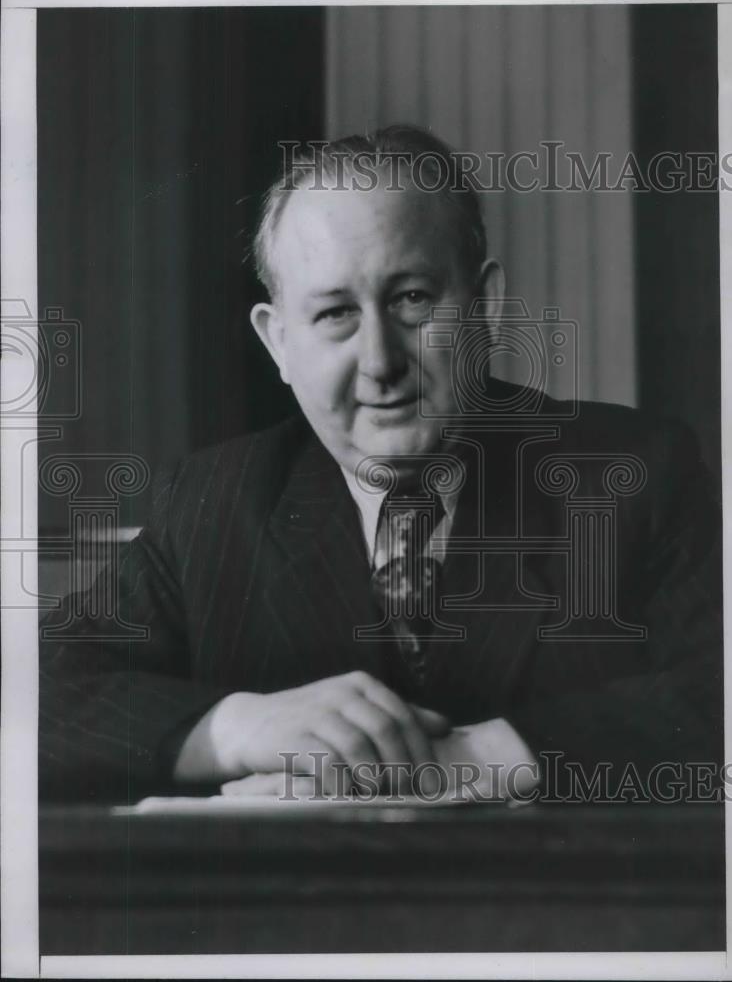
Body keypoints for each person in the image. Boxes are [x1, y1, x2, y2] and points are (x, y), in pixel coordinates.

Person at [39, 125, 723, 804]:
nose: (379, 362)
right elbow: (36, 695)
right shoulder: (211, 503)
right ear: (278, 342)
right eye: (336, 313)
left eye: (412, 300)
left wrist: (488, 756)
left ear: (484, 304)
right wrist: (234, 726)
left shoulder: (634, 473)